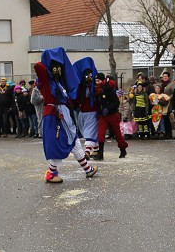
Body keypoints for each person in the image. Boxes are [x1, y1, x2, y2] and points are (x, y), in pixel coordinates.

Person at [33, 47, 98, 183]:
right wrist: (51, 59)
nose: (58, 70)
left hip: (64, 116)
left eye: (59, 67)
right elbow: (38, 66)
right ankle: (51, 173)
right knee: (60, 144)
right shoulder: (46, 82)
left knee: (74, 142)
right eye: (55, 67)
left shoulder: (58, 83)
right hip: (54, 117)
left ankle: (88, 170)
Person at [94, 73, 127, 160]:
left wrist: (108, 109)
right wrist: (99, 111)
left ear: (103, 80)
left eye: (98, 81)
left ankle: (122, 149)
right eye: (96, 81)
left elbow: (116, 102)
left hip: (112, 114)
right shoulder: (96, 90)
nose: (97, 83)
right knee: (100, 134)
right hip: (102, 115)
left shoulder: (108, 89)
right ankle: (100, 153)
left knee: (117, 133)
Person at [73, 57, 100, 154]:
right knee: (86, 131)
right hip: (82, 111)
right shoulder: (81, 87)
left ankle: (87, 151)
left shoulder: (97, 87)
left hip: (92, 111)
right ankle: (96, 150)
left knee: (90, 132)